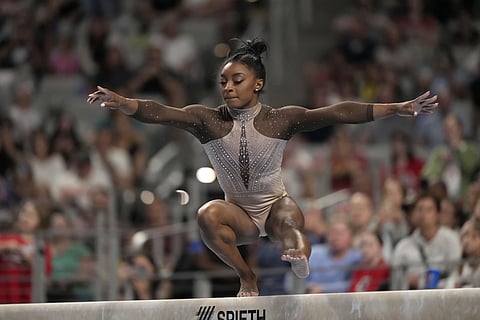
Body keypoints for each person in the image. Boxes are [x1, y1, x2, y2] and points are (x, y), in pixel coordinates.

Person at [87, 38, 438, 297]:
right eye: (223, 82)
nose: (227, 88)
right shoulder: (206, 121)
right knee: (206, 214)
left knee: (287, 219)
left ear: (258, 83)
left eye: (237, 80)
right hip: (237, 214)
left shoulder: (280, 120)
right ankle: (247, 276)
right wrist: (123, 102)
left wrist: (396, 107)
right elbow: (161, 112)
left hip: (273, 206)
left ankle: (299, 252)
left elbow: (337, 112)